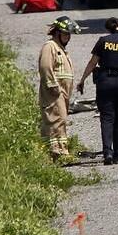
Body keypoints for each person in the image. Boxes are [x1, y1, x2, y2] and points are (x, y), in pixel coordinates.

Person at [77, 18, 118, 165]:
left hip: (105, 82)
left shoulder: (103, 41)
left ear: (108, 29)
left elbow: (92, 62)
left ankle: (107, 152)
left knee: (107, 118)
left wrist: (82, 80)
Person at [38, 15, 81, 161]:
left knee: (61, 120)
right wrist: (52, 85)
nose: (68, 37)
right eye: (65, 34)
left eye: (69, 35)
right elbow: (45, 67)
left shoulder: (60, 48)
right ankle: (56, 152)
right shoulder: (50, 47)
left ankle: (60, 150)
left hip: (62, 93)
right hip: (54, 92)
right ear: (57, 33)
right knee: (56, 119)